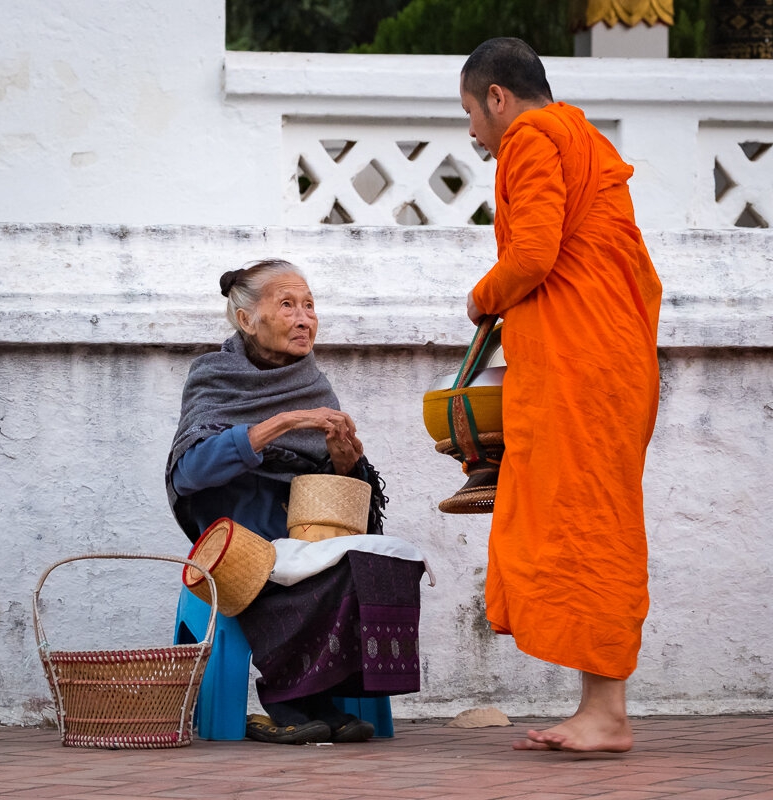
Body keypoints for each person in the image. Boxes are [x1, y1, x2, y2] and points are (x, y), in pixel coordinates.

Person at [459, 38, 662, 752]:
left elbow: (535, 252)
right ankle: (601, 708)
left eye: (470, 113)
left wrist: (482, 297)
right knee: (595, 519)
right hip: (611, 357)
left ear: (497, 97)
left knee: (588, 524)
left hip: (583, 365)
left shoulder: (532, 137)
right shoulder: (585, 138)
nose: (473, 132)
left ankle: (606, 713)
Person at [166, 259, 430, 745]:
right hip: (240, 543)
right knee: (287, 573)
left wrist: (345, 463)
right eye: (287, 305)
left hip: (305, 538)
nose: (304, 318)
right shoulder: (214, 375)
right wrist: (283, 422)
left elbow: (333, 495)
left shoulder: (313, 384)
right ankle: (291, 700)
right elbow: (190, 472)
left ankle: (328, 696)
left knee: (372, 564)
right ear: (247, 319)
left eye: (309, 306)